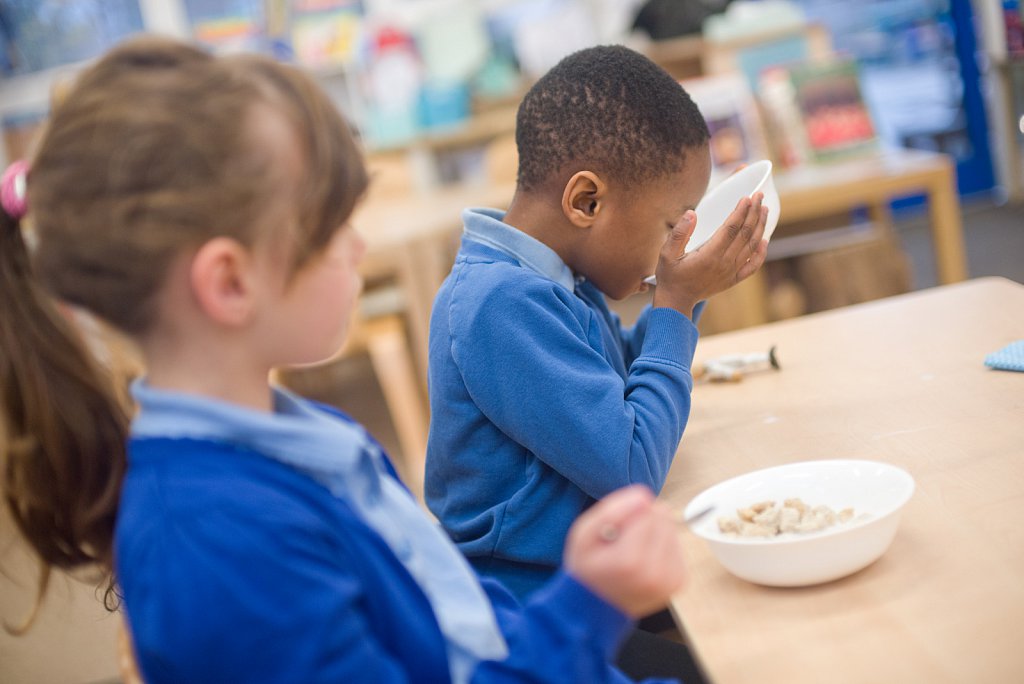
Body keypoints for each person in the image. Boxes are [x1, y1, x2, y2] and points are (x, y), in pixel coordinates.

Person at [0, 37, 695, 684]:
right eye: (335, 228)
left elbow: (446, 610)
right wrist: (584, 608)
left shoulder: (295, 434)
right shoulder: (217, 543)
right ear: (231, 283)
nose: (358, 248)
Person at [425, 43, 767, 639]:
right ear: (587, 201)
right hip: (539, 617)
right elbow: (631, 465)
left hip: (589, 580)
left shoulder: (548, 276)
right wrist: (677, 304)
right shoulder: (499, 304)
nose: (674, 244)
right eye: (671, 224)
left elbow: (615, 380)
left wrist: (692, 288)